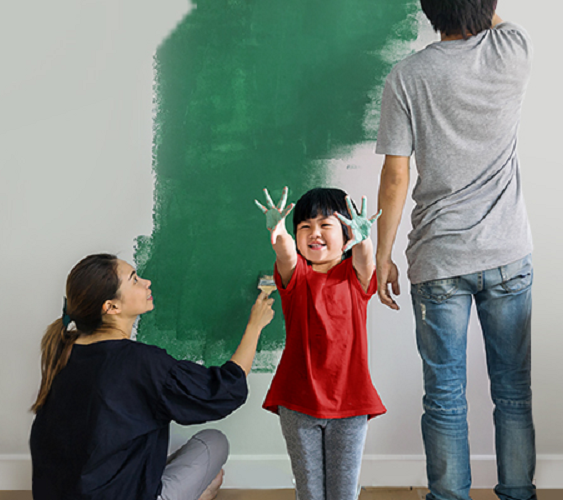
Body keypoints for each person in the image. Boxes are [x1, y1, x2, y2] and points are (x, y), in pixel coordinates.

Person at [374, 1, 536, 499]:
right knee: (513, 395)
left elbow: (396, 173)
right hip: (507, 254)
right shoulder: (512, 50)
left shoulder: (406, 76)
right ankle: (517, 494)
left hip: (438, 259)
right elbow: (492, 17)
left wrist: (383, 254)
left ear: (427, 9)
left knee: (444, 399)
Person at [29, 253, 275, 500]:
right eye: (134, 279)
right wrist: (255, 326)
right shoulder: (141, 362)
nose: (146, 282)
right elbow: (223, 391)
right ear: (111, 307)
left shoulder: (65, 350)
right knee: (215, 442)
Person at [254, 187, 387, 500]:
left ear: (346, 233)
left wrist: (364, 238)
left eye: (326, 225)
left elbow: (365, 257)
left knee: (343, 493)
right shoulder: (296, 275)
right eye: (305, 226)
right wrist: (279, 231)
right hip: (298, 402)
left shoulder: (355, 276)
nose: (315, 233)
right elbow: (285, 252)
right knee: (310, 493)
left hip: (351, 402)